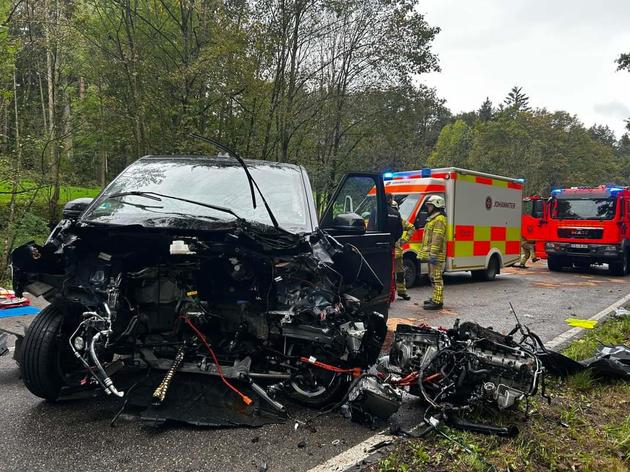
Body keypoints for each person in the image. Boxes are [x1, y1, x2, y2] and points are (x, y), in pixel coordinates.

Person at [418, 195, 447, 310]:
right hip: (432, 254)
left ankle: (438, 301)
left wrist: (433, 254)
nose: (428, 208)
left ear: (437, 206)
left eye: (430, 205)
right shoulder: (434, 219)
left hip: (436, 254)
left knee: (436, 277)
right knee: (432, 276)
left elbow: (437, 238)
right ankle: (435, 297)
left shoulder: (439, 219)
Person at [393, 201, 415, 300]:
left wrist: (403, 240)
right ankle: (389, 294)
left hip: (396, 252)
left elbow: (411, 228)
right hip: (388, 251)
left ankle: (401, 292)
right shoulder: (384, 220)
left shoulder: (400, 221)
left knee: (400, 274)